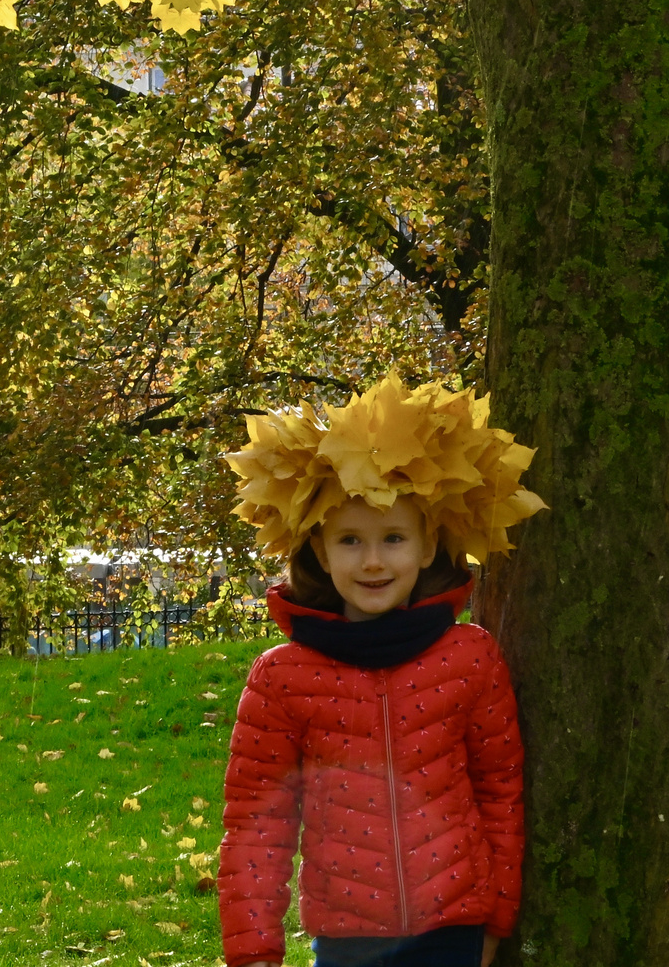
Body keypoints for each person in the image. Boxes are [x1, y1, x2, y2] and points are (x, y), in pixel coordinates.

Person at [215, 376, 547, 967]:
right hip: (348, 941)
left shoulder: (470, 658)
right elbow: (255, 827)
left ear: (426, 547)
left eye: (393, 538)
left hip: (455, 931)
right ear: (319, 551)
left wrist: (497, 916)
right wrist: (253, 954)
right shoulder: (282, 677)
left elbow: (500, 791)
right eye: (349, 540)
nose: (372, 561)